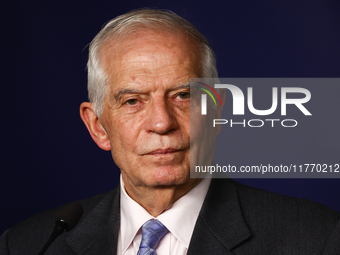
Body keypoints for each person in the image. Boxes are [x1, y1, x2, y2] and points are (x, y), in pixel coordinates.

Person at [1, 9, 339, 255]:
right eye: (133, 100)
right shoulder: (27, 245)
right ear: (98, 126)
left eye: (182, 96)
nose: (162, 123)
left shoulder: (318, 238)